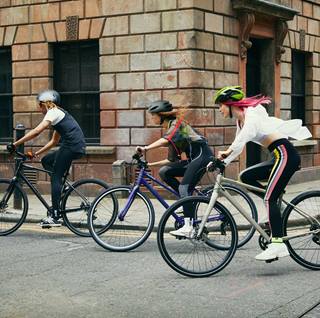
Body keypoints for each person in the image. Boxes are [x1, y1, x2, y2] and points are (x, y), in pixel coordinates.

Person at [213, 86, 312, 261]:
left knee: (269, 198)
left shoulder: (251, 115)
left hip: (286, 155)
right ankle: (277, 205)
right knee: (245, 177)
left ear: (230, 104)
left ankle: (278, 244)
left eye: (220, 105)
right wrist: (223, 162)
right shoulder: (240, 121)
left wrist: (226, 152)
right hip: (277, 155)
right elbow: (239, 144)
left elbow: (245, 136)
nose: (219, 110)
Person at [7, 90, 86, 227]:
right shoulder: (59, 114)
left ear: (46, 104)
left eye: (40, 105)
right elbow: (54, 142)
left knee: (55, 177)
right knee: (46, 160)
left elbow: (37, 131)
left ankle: (55, 217)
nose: (39, 108)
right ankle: (62, 186)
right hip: (74, 146)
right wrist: (37, 153)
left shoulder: (53, 112)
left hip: (71, 147)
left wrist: (15, 144)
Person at [136, 100, 213, 237]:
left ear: (161, 115)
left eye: (153, 115)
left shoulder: (177, 125)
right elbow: (171, 160)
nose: (151, 118)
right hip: (192, 161)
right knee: (165, 172)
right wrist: (150, 165)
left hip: (202, 158)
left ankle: (188, 227)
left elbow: (166, 140)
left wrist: (145, 148)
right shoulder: (171, 131)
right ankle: (186, 201)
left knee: (184, 188)